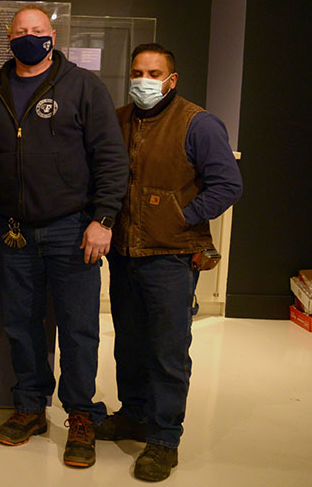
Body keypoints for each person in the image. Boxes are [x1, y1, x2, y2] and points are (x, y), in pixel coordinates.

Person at [0, 4, 128, 468]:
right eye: (21, 31)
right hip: (11, 231)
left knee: (79, 328)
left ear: (52, 35)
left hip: (73, 229)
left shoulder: (84, 87)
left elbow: (111, 159)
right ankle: (29, 406)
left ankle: (81, 414)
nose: (29, 36)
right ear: (8, 37)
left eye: (37, 30)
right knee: (20, 325)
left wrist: (103, 219)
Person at [101, 43, 242, 482]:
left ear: (171, 79)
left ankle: (164, 438)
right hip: (125, 254)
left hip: (171, 256)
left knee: (167, 350)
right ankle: (135, 413)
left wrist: (181, 216)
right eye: (138, 71)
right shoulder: (119, 120)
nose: (145, 80)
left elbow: (227, 185)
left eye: (154, 72)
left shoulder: (198, 123)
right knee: (129, 342)